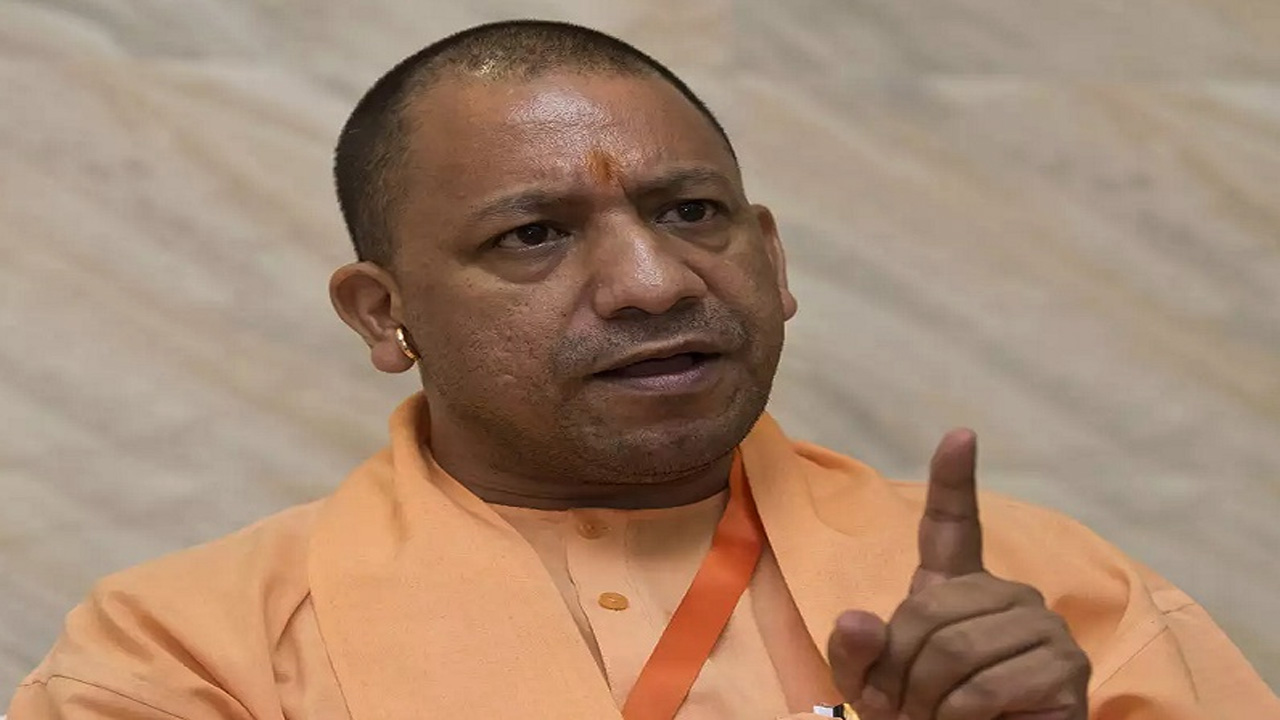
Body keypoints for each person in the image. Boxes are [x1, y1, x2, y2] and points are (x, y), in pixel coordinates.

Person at [9, 19, 1277, 720]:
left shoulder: (1042, 602)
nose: (654, 283)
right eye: (533, 235)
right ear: (382, 316)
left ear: (772, 257)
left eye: (690, 213)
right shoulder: (188, 650)